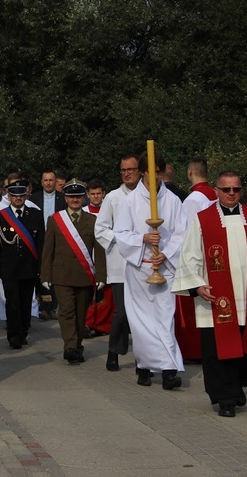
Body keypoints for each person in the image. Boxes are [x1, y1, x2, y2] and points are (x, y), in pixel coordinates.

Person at [172, 171, 247, 417]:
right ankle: (225, 399)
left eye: (236, 189)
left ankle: (239, 384)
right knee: (218, 351)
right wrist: (197, 284)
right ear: (216, 191)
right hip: (216, 299)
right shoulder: (203, 220)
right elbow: (189, 255)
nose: (231, 193)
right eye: (226, 189)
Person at [114, 152, 186, 389]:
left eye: (159, 171)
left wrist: (167, 253)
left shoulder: (173, 200)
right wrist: (142, 238)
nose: (155, 176)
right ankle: (144, 367)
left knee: (165, 319)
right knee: (142, 321)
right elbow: (121, 234)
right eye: (151, 171)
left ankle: (168, 370)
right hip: (139, 269)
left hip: (164, 267)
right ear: (143, 172)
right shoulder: (130, 202)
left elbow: (180, 232)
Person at [41, 179, 106, 364]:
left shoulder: (92, 220)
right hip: (61, 274)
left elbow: (99, 250)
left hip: (84, 275)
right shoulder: (55, 220)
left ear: (83, 197)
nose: (75, 200)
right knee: (66, 311)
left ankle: (77, 345)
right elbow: (48, 250)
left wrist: (101, 275)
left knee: (80, 313)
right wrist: (45, 275)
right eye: (71, 196)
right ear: (66, 198)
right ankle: (69, 346)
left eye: (78, 196)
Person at [94, 154, 141, 372]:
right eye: (123, 170)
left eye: (130, 169)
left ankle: (144, 358)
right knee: (121, 312)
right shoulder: (113, 197)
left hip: (144, 263)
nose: (127, 173)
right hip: (121, 263)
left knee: (141, 314)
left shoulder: (148, 196)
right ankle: (113, 352)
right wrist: (122, 239)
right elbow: (100, 229)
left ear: (140, 170)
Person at [0, 179, 44, 349]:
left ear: (26, 195)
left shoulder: (35, 215)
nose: (18, 198)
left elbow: (41, 243)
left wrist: (42, 267)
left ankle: (23, 331)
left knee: (26, 301)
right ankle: (13, 334)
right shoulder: (0, 217)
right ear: (9, 196)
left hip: (29, 266)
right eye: (14, 195)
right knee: (12, 302)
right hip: (9, 267)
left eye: (21, 194)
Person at [176, 157, 218, 361]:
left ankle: (193, 350)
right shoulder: (215, 194)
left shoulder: (193, 199)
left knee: (192, 306)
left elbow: (187, 232)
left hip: (197, 256)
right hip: (214, 254)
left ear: (190, 172)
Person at [81, 178, 114, 337]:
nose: (95, 197)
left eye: (98, 193)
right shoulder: (83, 212)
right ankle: (87, 323)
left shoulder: (110, 210)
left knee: (108, 295)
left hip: (108, 257)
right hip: (88, 257)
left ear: (104, 194)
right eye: (92, 194)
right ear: (87, 195)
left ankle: (102, 325)